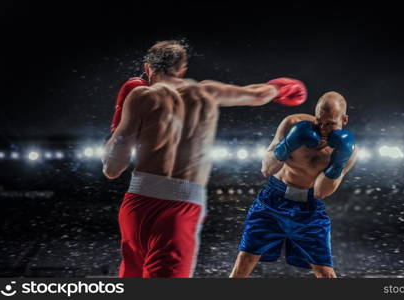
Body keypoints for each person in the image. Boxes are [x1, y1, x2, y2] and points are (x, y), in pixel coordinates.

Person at [102, 40, 307, 278]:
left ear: (147, 68)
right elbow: (258, 94)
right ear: (182, 69)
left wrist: (117, 124)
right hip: (181, 204)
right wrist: (280, 88)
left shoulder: (140, 97)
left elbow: (112, 168)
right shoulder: (206, 92)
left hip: (137, 203)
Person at [230, 91, 359, 278]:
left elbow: (321, 191)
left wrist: (337, 162)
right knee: (245, 259)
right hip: (272, 200)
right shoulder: (293, 123)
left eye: (329, 124)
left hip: (308, 208)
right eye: (319, 122)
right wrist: (289, 144)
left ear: (344, 120)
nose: (322, 128)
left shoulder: (350, 151)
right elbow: (266, 169)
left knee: (325, 272)